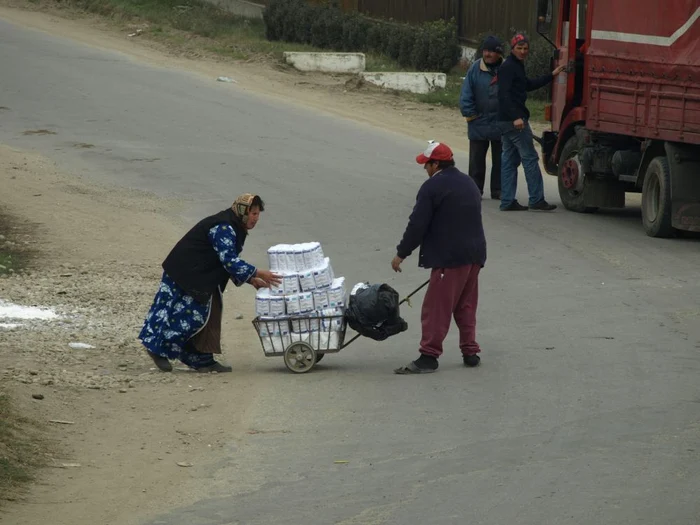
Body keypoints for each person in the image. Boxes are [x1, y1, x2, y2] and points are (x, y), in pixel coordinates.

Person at [138, 194, 281, 373]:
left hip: (202, 274)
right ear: (243, 211)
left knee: (208, 314)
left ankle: (201, 358)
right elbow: (228, 260)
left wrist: (252, 280)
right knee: (185, 315)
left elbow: (227, 261)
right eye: (253, 213)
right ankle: (157, 347)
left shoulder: (236, 227)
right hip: (186, 271)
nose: (255, 218)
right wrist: (258, 273)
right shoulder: (224, 227)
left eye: (258, 214)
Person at [391, 141, 487, 374]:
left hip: (450, 259)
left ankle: (429, 356)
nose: (425, 170)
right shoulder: (469, 182)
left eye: (427, 165)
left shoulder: (431, 187)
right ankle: (470, 352)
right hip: (475, 255)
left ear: (436, 164)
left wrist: (401, 253)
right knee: (465, 305)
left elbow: (417, 225)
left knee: (436, 308)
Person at [497, 33, 567, 211]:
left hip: (508, 120)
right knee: (529, 158)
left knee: (510, 159)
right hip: (514, 121)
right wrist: (516, 117)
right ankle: (536, 199)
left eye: (525, 48)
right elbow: (503, 95)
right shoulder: (508, 67)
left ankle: (507, 201)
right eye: (519, 48)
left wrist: (551, 75)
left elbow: (527, 85)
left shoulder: (516, 66)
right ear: (512, 49)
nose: (523, 51)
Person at [459, 35, 505, 200]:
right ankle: (475, 190)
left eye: (491, 51)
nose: (487, 54)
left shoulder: (506, 69)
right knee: (477, 161)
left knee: (500, 160)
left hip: (501, 123)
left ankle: (498, 190)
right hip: (478, 122)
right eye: (485, 50)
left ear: (499, 54)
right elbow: (466, 95)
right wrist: (471, 115)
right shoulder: (475, 69)